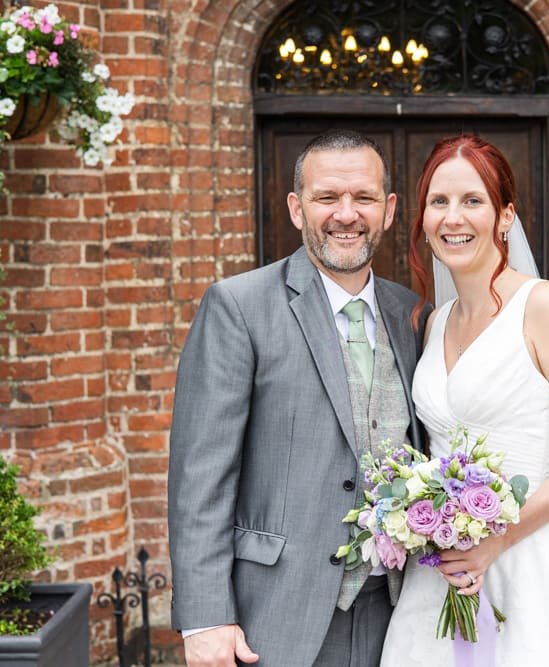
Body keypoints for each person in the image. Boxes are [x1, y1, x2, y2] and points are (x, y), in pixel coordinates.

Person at [380, 135, 549, 665]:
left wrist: (498, 540)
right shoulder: (435, 322)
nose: (453, 218)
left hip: (531, 561)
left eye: (472, 200)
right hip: (443, 569)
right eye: (439, 202)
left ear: (505, 216)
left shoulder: (544, 305)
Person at [168, 129, 428, 667]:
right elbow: (201, 475)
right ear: (296, 207)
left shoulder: (412, 315)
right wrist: (206, 616)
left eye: (364, 198)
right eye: (327, 197)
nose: (346, 214)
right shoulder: (239, 306)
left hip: (402, 613)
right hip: (278, 615)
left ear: (389, 209)